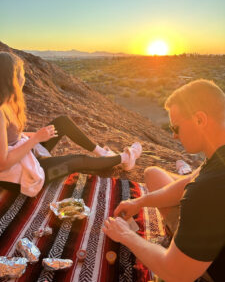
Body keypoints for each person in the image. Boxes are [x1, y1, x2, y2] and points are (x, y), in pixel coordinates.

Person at [103, 79, 225, 282]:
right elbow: (189, 182)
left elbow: (176, 274)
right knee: (154, 174)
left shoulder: (207, 189)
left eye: (176, 127)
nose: (174, 136)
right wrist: (139, 202)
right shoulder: (218, 155)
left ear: (200, 120)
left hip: (205, 270)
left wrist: (126, 236)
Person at [0, 51, 142, 197]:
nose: (24, 78)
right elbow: (2, 163)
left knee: (62, 122)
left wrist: (38, 136)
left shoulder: (9, 102)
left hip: (25, 155)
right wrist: (36, 139)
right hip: (19, 175)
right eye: (22, 74)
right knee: (77, 160)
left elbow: (10, 138)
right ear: (11, 78)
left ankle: (102, 153)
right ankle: (125, 158)